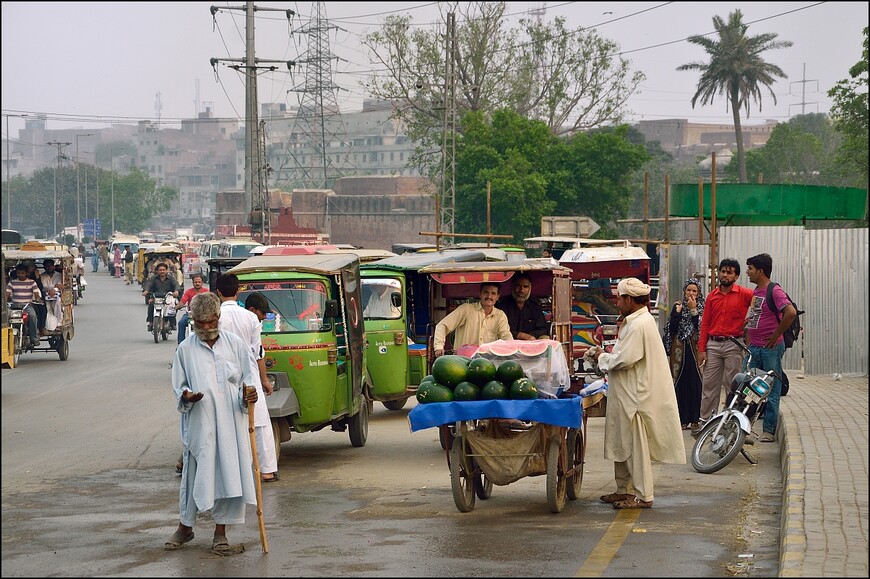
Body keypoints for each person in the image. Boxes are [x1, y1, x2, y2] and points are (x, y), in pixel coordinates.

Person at [164, 292, 259, 555]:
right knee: (195, 476)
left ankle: (221, 533)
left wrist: (248, 394)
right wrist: (187, 396)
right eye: (201, 322)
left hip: (231, 423)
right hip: (200, 422)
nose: (207, 327)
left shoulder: (236, 345)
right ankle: (185, 527)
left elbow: (247, 380)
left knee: (229, 475)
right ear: (193, 320)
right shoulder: (185, 349)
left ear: (218, 317)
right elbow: (178, 386)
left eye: (211, 321)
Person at [590, 278, 685, 509]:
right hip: (625, 393)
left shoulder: (640, 324)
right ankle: (623, 490)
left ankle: (643, 495)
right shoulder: (636, 321)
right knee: (621, 443)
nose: (617, 302)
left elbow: (624, 359)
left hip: (636, 396)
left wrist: (600, 357)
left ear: (629, 299)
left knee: (634, 447)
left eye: (620, 298)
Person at [215, 274, 279, 483]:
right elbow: (258, 353)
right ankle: (266, 470)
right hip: (249, 376)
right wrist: (264, 380)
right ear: (238, 291)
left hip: (222, 376)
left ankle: (228, 474)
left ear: (218, 292)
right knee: (260, 424)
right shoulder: (250, 318)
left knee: (225, 424)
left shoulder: (214, 316)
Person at [695, 258, 754, 432]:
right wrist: (702, 349)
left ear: (736, 276)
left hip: (734, 345)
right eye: (723, 271)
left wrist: (750, 324)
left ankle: (730, 425)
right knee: (709, 385)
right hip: (713, 344)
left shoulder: (745, 294)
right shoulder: (712, 296)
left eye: (729, 272)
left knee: (733, 386)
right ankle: (705, 422)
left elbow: (760, 305)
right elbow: (705, 323)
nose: (725, 275)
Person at [745, 253, 797, 443]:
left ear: (760, 271)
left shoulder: (774, 290)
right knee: (748, 388)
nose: (747, 272)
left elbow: (790, 312)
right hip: (755, 348)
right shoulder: (756, 291)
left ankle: (768, 430)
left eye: (750, 268)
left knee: (772, 389)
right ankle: (746, 429)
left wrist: (775, 336)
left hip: (770, 349)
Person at [664, 279, 705, 430]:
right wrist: (677, 314)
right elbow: (671, 329)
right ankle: (681, 419)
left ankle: (695, 418)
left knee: (695, 383)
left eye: (694, 291)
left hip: (695, 349)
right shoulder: (678, 306)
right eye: (689, 290)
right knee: (680, 382)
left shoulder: (702, 307)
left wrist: (693, 310)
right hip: (679, 349)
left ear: (699, 293)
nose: (691, 293)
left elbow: (701, 326)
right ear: (684, 291)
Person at [433, 282, 512, 357]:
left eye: (493, 293)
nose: (489, 296)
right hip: (462, 361)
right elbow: (442, 325)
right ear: (480, 294)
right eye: (486, 292)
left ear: (497, 297)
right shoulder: (466, 309)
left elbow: (506, 336)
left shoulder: (500, 315)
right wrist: (439, 347)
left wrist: (511, 349)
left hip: (487, 363)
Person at [496, 272, 549, 340]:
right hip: (509, 341)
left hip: (531, 341)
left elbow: (543, 329)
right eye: (518, 286)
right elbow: (498, 330)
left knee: (545, 338)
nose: (521, 290)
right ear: (512, 286)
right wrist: (520, 335)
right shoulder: (502, 304)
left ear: (530, 288)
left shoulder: (535, 305)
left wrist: (530, 336)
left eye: (525, 286)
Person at [6, 264, 41, 347]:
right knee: (6, 317)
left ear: (26, 273)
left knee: (33, 317)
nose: (20, 275)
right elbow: (7, 294)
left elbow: (36, 293)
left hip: (27, 306)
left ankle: (33, 338)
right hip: (14, 306)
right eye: (18, 273)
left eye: (22, 273)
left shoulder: (32, 282)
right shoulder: (12, 282)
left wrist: (38, 299)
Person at [142, 262, 180, 332]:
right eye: (160, 270)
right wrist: (146, 291)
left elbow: (176, 285)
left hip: (168, 297)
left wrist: (176, 291)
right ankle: (151, 322)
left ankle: (172, 323)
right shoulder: (153, 278)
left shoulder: (171, 278)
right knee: (151, 304)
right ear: (157, 271)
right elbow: (148, 284)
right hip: (156, 297)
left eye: (163, 270)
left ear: (166, 270)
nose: (162, 271)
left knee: (173, 307)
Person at [177, 273, 209, 344]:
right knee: (181, 323)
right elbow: (183, 301)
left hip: (203, 314)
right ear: (193, 283)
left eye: (199, 282)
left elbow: (210, 302)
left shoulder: (206, 291)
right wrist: (178, 306)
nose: (197, 283)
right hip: (191, 314)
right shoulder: (189, 292)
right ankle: (180, 344)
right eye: (195, 282)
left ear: (202, 283)